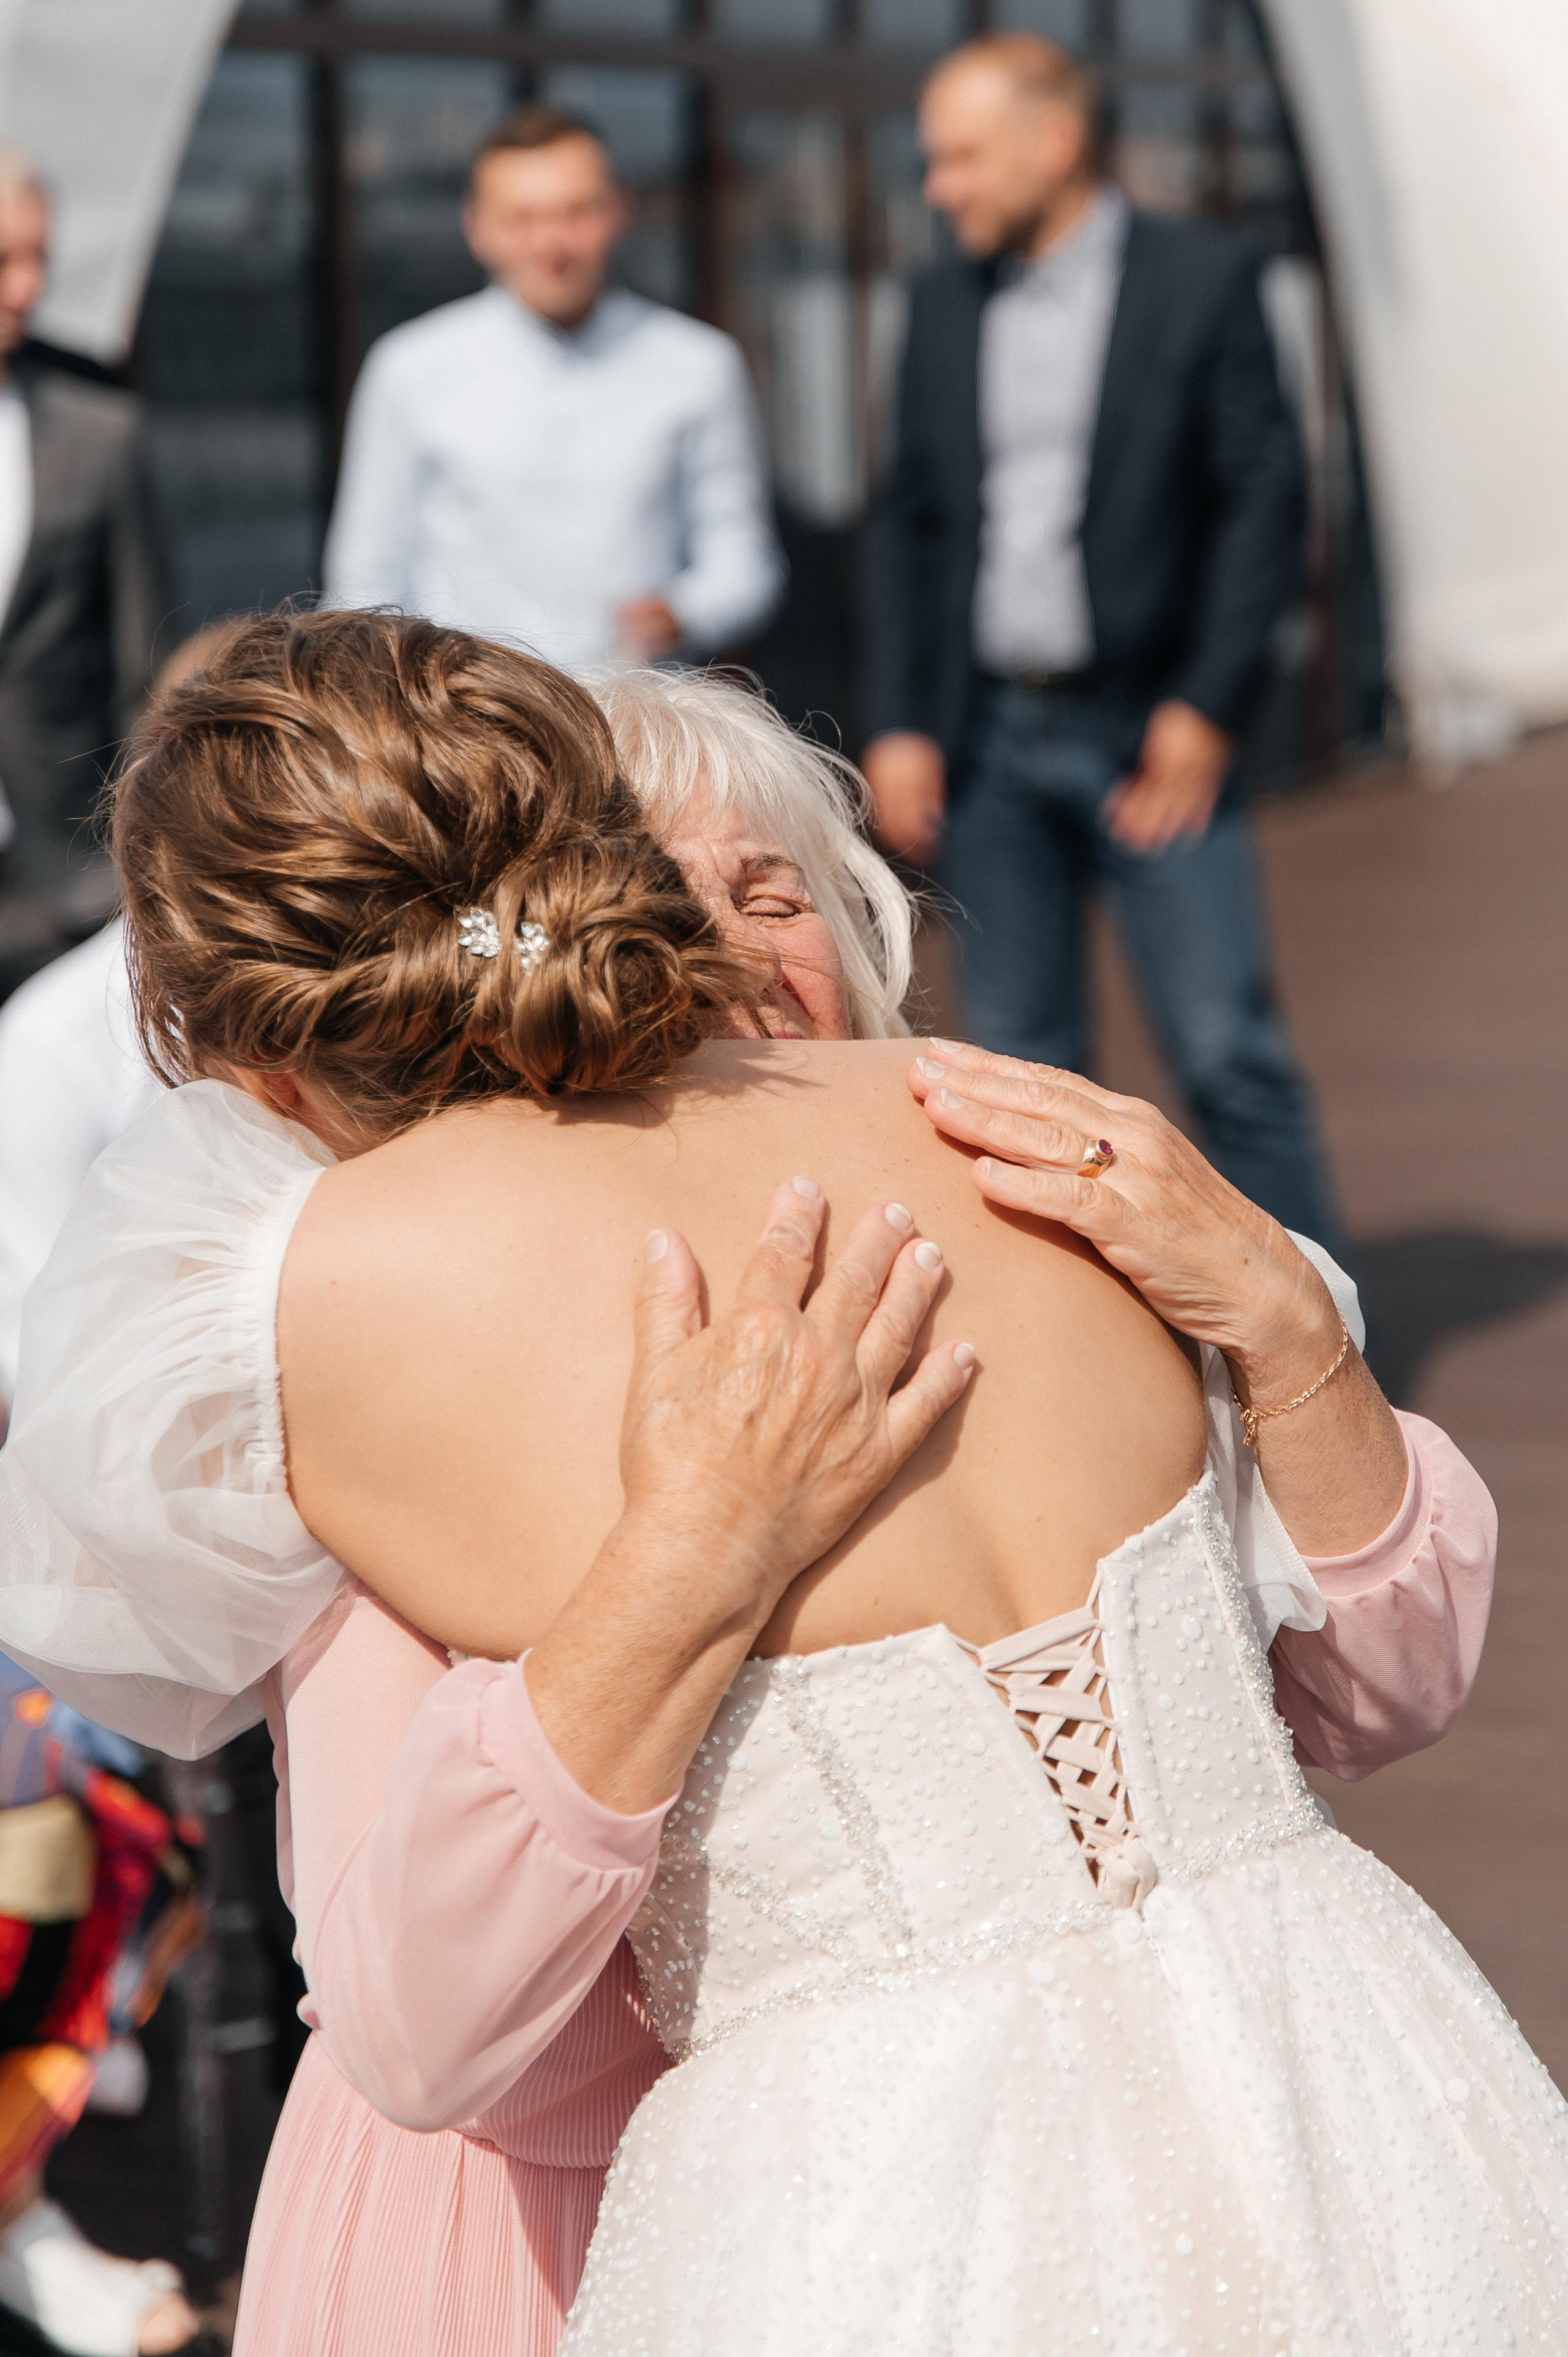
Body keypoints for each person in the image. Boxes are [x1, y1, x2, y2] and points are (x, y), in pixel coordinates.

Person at [0, 617, 1517, 2353]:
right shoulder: (978, 1164)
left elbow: (1381, 1676)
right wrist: (692, 1561)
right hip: (1280, 2112)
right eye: (672, 898)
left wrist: (1282, 1316)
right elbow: (440, 2043)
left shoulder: (366, 1313)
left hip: (866, 2213)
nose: (718, 958)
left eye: (768, 890)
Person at [861, 36, 1339, 1245]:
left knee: (1228, 1050)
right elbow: (907, 528)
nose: (940, 189)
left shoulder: (1201, 280)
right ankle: (1075, 1364)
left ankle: (1325, 1344)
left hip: (1148, 735)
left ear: (1053, 143)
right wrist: (901, 721)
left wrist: (1207, 706)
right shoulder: (933, 303)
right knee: (1023, 1074)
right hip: (982, 746)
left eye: (961, 158)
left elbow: (1262, 507)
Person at [322, 105, 783, 669]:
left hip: (641, 721)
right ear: (477, 228)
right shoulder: (410, 368)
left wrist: (684, 611)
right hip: (469, 723)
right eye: (522, 218)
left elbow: (744, 564)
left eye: (576, 212)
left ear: (619, 211)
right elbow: (362, 580)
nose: (551, 243)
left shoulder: (698, 365)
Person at [0, 148, 165, 957]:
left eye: (39, 259)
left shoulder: (98, 436)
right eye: (3, 259)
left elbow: (148, 669)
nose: (27, 289)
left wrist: (127, 861)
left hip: (64, 881)